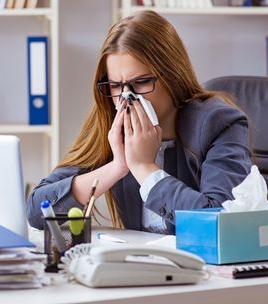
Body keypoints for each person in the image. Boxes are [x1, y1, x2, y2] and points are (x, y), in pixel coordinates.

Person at [26, 10, 252, 234]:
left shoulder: (219, 124)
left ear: (173, 76)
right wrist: (118, 167)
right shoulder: (111, 121)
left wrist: (145, 168)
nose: (126, 97)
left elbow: (220, 225)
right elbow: (37, 211)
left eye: (141, 82)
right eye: (115, 86)